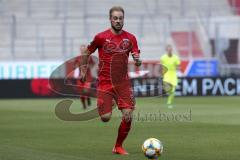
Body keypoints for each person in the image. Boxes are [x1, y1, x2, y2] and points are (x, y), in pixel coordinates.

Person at [79, 6, 141, 155]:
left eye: (120, 18)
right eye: (115, 18)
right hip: (105, 83)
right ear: (110, 19)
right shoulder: (100, 37)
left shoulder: (131, 38)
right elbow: (87, 52)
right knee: (105, 118)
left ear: (123, 19)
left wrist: (138, 61)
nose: (118, 21)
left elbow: (137, 58)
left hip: (123, 83)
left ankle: (118, 146)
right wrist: (83, 69)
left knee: (128, 115)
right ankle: (110, 102)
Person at [160, 44, 180, 109]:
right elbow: (162, 67)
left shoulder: (176, 58)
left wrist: (178, 71)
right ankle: (169, 92)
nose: (170, 51)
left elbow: (178, 66)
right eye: (169, 49)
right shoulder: (163, 58)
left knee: (173, 91)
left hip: (173, 75)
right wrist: (162, 74)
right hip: (166, 74)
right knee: (167, 88)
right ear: (166, 50)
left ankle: (169, 102)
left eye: (171, 49)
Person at [75, 44, 92, 109]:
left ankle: (88, 98)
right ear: (80, 50)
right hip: (80, 77)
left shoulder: (89, 57)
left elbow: (93, 65)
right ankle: (84, 105)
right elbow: (76, 67)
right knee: (81, 93)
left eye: (84, 48)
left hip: (88, 77)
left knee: (86, 91)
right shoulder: (77, 58)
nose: (82, 50)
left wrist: (88, 67)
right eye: (81, 49)